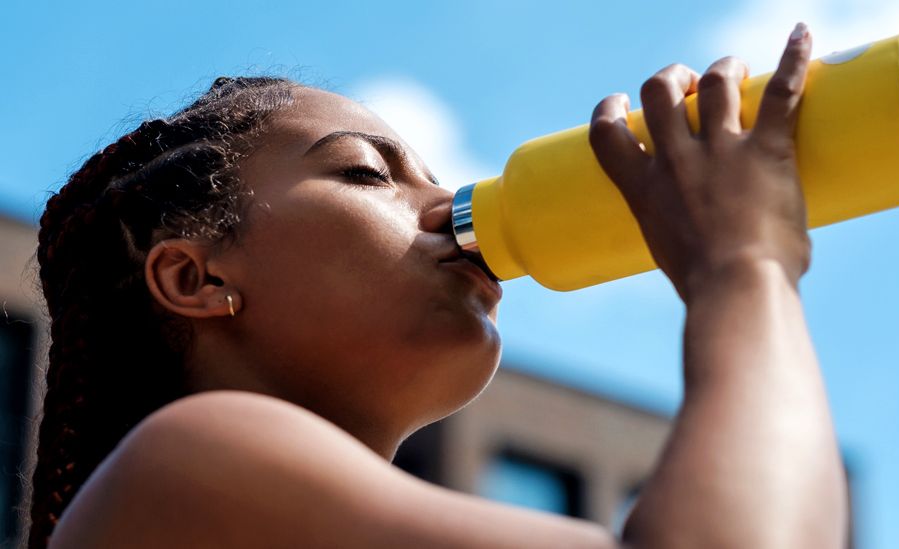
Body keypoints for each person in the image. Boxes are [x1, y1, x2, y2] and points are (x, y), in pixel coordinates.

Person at [24, 21, 847, 549]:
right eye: (365, 171)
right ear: (196, 276)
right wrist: (747, 265)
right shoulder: (189, 465)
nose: (453, 206)